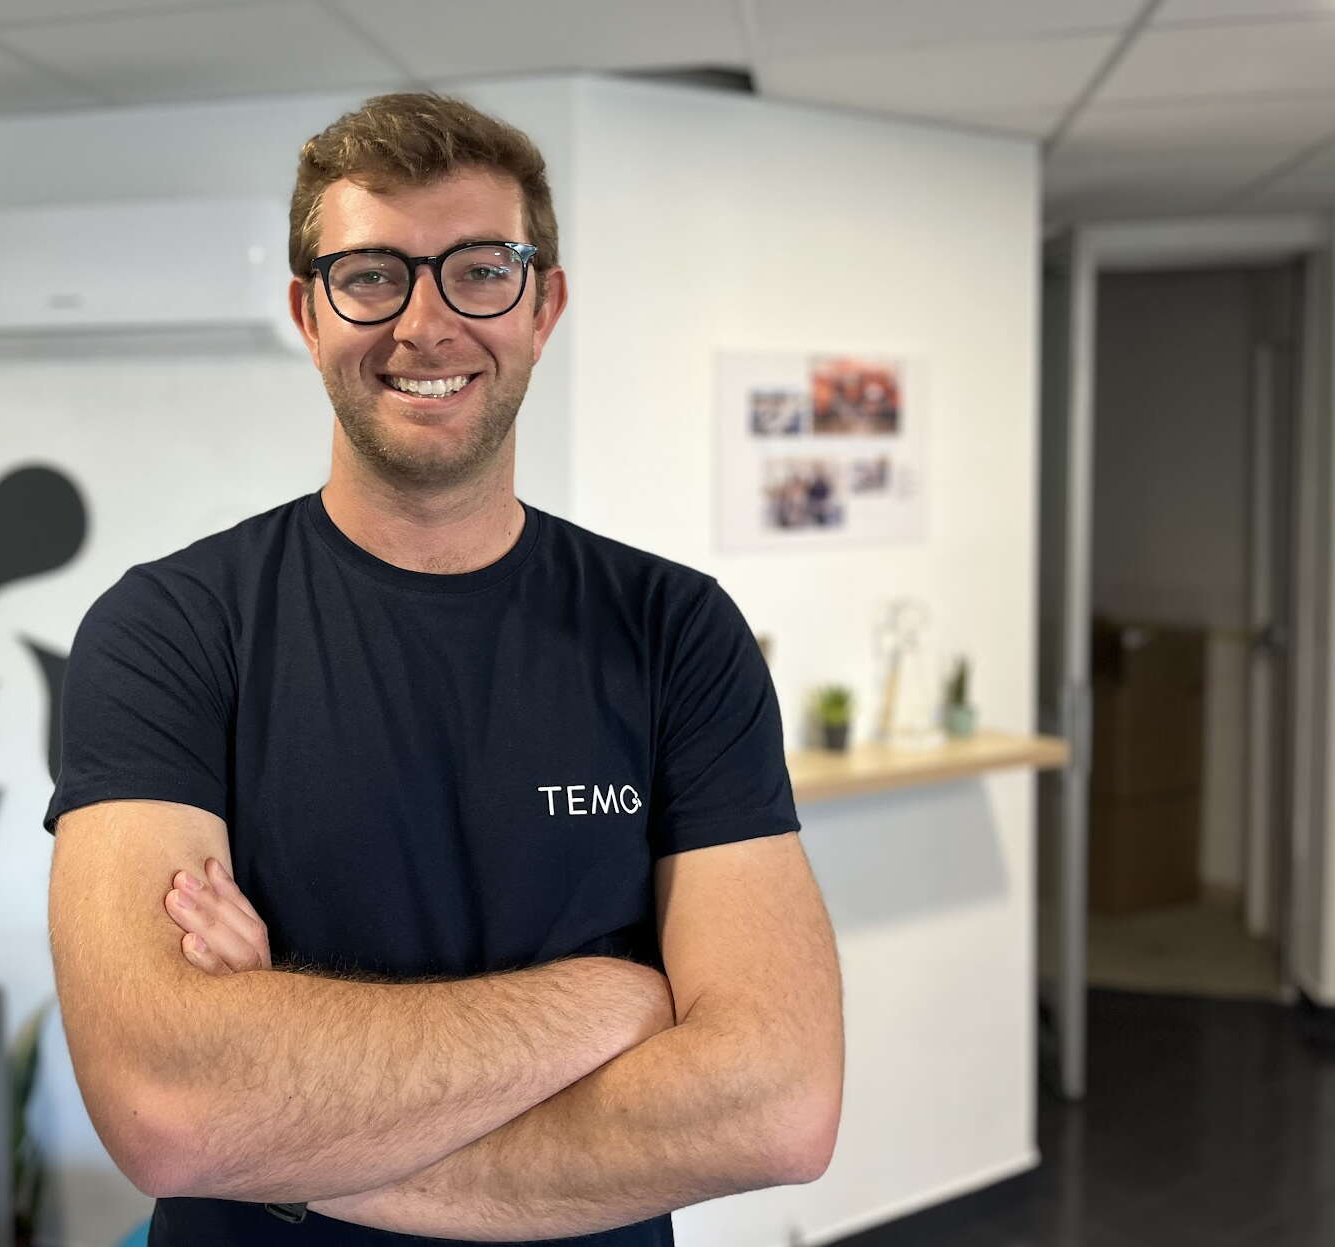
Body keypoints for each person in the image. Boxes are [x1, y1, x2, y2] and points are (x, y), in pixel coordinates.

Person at [44, 92, 843, 1246]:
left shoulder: (675, 630)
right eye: (370, 274)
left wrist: (277, 1136)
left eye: (480, 269)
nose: (424, 323)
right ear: (307, 314)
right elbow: (167, 1109)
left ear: (543, 304)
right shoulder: (169, 627)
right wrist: (614, 1000)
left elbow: (776, 1103)